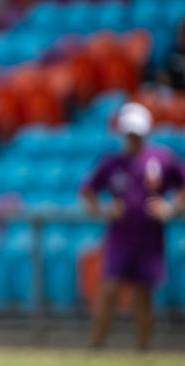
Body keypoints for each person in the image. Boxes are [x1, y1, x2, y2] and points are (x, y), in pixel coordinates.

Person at [81, 102, 185, 350]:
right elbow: (89, 192)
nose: (133, 139)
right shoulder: (113, 163)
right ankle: (97, 344)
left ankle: (143, 347)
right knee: (110, 290)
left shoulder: (162, 159)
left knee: (144, 294)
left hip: (150, 236)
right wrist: (104, 211)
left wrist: (171, 208)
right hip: (121, 236)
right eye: (129, 134)